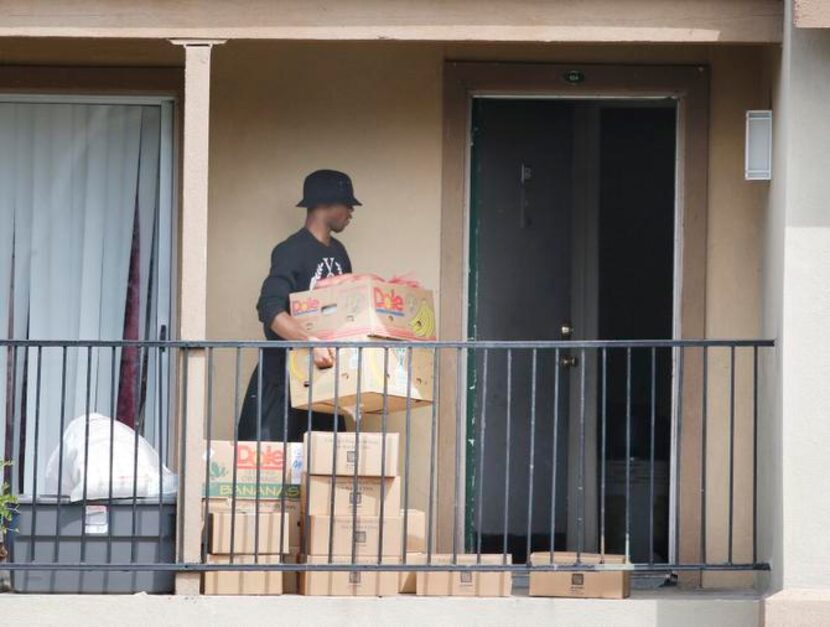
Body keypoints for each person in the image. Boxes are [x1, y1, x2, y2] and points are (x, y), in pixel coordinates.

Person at [237, 169, 359, 442]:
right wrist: (310, 341)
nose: (351, 210)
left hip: (324, 380)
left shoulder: (339, 252)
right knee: (274, 469)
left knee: (324, 469)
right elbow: (269, 308)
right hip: (283, 378)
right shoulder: (291, 250)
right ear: (325, 203)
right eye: (346, 203)